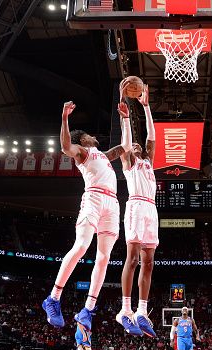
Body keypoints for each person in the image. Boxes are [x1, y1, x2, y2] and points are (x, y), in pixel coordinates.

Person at [42, 86, 133, 333]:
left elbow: (126, 146)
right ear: (83, 139)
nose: (94, 136)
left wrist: (126, 118)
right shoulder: (82, 152)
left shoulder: (103, 155)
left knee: (104, 258)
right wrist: (64, 119)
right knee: (81, 246)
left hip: (112, 204)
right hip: (93, 199)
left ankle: (88, 309)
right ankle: (53, 298)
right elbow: (64, 147)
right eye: (89, 135)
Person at [117, 82, 158, 338]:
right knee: (132, 260)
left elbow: (152, 137)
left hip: (151, 210)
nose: (137, 146)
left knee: (149, 262)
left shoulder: (148, 162)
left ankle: (142, 311)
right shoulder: (129, 163)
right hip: (135, 205)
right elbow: (127, 142)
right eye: (134, 146)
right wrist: (126, 119)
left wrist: (146, 107)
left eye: (139, 145)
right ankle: (125, 309)